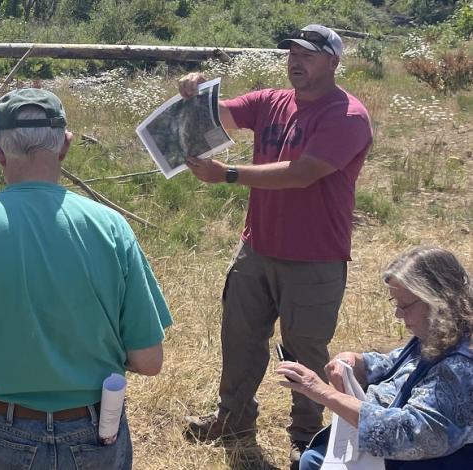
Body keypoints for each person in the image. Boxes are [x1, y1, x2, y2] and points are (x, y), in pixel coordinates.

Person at [0, 88, 173, 469]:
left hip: (0, 430)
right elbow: (148, 360)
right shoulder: (112, 227)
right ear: (65, 146)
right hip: (97, 430)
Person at [178, 24, 375, 464]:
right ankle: (233, 419)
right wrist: (194, 96)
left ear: (333, 62)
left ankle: (306, 436)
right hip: (258, 248)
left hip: (315, 256)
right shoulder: (270, 101)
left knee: (304, 350)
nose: (296, 61)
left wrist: (229, 174)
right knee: (240, 338)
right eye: (292, 53)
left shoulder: (347, 115)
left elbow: (303, 173)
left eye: (308, 54)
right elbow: (221, 115)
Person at [275, 246, 473, 469]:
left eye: (404, 305)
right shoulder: (442, 332)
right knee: (313, 459)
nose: (398, 314)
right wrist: (358, 362)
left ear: (437, 299)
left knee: (314, 462)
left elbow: (409, 433)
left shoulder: (460, 368)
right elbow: (401, 363)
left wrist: (324, 393)